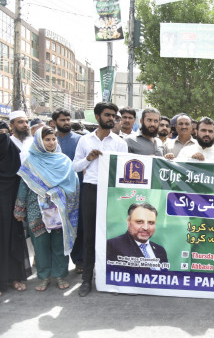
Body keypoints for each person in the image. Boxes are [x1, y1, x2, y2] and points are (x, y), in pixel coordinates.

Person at [14, 126, 80, 291]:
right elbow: (24, 185)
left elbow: (74, 185)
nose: (51, 142)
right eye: (47, 139)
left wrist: (56, 193)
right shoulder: (31, 161)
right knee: (40, 244)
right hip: (36, 209)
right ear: (39, 141)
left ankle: (60, 275)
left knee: (59, 243)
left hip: (59, 209)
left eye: (53, 139)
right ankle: (43, 277)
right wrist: (20, 208)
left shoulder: (64, 160)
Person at [73, 102, 128, 297]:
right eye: (107, 115)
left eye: (114, 115)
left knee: (112, 234)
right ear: (97, 117)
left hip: (112, 192)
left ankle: (111, 278)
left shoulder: (120, 143)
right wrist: (88, 159)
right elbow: (75, 167)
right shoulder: (85, 141)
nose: (111, 118)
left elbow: (124, 171)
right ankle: (87, 279)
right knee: (89, 236)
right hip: (91, 189)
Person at [0, 122, 31, 295]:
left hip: (10, 209)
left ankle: (13, 277)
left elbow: (21, 184)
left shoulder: (14, 163)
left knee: (11, 239)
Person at [52, 108, 84, 274]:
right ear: (54, 122)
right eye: (62, 120)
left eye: (67, 119)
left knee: (77, 225)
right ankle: (57, 264)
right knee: (58, 227)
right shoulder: (50, 140)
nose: (66, 122)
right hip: (55, 191)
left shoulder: (80, 140)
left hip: (77, 189)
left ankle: (79, 260)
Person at [107, 203, 168, 271]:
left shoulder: (160, 250)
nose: (145, 227)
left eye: (150, 223)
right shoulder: (113, 246)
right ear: (128, 222)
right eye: (139, 222)